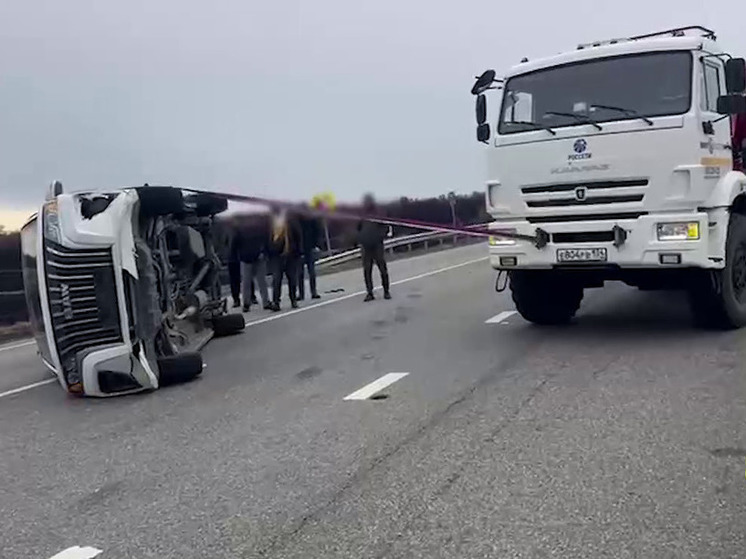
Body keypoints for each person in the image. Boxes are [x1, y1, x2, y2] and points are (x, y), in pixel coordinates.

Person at [231, 218, 271, 312]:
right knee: (255, 281)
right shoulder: (257, 226)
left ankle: (249, 303)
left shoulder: (241, 228)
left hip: (249, 257)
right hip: (250, 256)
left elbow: (235, 244)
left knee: (248, 282)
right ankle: (260, 302)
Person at [268, 208, 303, 311]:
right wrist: (268, 251)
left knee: (292, 278)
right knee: (276, 279)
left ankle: (293, 299)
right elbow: (267, 237)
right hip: (276, 255)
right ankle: (276, 302)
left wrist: (299, 251)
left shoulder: (291, 220)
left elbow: (298, 235)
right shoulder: (271, 223)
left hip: (290, 254)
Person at [357, 194, 390, 302]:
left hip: (377, 245)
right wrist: (360, 239)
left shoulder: (378, 214)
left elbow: (385, 228)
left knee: (382, 268)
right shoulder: (362, 215)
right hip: (366, 247)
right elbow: (358, 228)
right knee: (367, 270)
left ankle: (386, 291)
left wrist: (379, 236)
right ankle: (369, 292)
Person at [297, 210, 322, 300]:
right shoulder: (298, 220)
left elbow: (317, 232)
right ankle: (303, 293)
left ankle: (312, 291)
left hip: (308, 247)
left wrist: (315, 244)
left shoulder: (310, 219)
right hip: (300, 248)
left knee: (310, 271)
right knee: (301, 272)